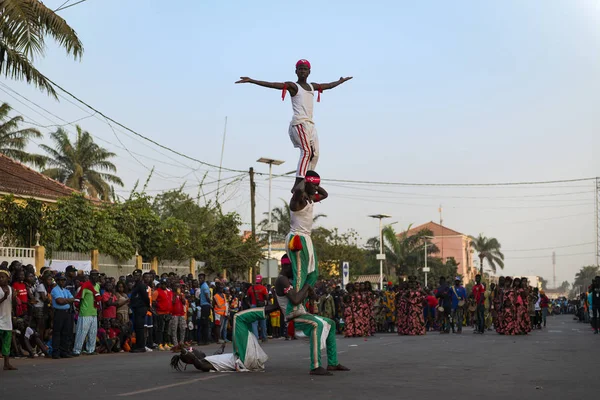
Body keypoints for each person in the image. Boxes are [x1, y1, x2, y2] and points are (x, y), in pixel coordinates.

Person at [235, 60, 352, 190]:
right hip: (299, 123)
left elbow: (329, 85)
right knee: (306, 151)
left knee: (315, 154)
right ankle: (298, 181)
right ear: (296, 71)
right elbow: (273, 85)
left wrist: (340, 82)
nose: (302, 71)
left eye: (305, 69)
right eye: (300, 69)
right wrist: (252, 80)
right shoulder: (294, 86)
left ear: (309, 72)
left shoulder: (312, 86)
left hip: (310, 124)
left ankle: (308, 177)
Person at [275, 254, 349, 376]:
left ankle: (333, 363)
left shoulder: (291, 281)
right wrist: (307, 286)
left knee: (331, 323)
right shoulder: (282, 280)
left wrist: (311, 291)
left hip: (301, 313)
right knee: (316, 325)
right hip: (293, 317)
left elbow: (310, 296)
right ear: (286, 266)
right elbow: (295, 300)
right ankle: (315, 366)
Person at [286, 170, 328, 296]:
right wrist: (304, 178)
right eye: (313, 185)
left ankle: (301, 300)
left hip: (307, 238)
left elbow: (324, 194)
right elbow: (298, 191)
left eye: (317, 185)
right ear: (306, 184)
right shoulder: (298, 202)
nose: (316, 189)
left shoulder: (309, 199)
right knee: (300, 273)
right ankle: (294, 307)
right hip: (297, 238)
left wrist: (314, 184)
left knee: (313, 273)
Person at [73, 270, 101, 356]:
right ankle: (76, 350)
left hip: (94, 312)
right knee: (81, 332)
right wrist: (80, 309)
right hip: (85, 312)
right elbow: (79, 299)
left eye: (96, 275)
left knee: (92, 332)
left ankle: (90, 349)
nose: (95, 277)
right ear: (90, 276)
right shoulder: (85, 286)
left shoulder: (97, 286)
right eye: (93, 275)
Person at [50, 273, 75, 359]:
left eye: (64, 280)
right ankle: (55, 352)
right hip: (58, 312)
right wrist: (68, 300)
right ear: (57, 281)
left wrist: (65, 300)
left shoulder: (66, 290)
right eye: (61, 280)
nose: (63, 281)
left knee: (66, 333)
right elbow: (59, 301)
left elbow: (73, 299)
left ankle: (64, 351)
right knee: (57, 332)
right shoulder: (55, 290)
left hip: (66, 312)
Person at [129, 270, 151, 353]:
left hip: (141, 308)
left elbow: (145, 297)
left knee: (140, 328)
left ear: (140, 276)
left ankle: (141, 346)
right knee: (137, 327)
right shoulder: (136, 285)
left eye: (138, 275)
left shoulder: (141, 285)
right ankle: (138, 345)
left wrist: (147, 306)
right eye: (135, 275)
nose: (136, 277)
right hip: (137, 308)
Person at [0, 266, 17, 370]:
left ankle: (6, 363)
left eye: (3, 277)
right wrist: (4, 297)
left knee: (7, 342)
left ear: (8, 278)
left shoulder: (11, 289)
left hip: (7, 320)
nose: (1, 279)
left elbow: (13, 305)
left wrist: (14, 297)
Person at [247, 275, 269, 342]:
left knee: (254, 323)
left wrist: (250, 305)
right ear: (261, 280)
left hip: (253, 306)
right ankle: (264, 337)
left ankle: (255, 338)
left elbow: (247, 298)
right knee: (263, 322)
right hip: (261, 307)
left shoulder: (251, 288)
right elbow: (267, 297)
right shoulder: (263, 288)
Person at [196, 273, 211, 345]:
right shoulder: (202, 286)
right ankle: (205, 340)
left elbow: (207, 296)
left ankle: (205, 340)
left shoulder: (204, 286)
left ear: (204, 279)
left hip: (205, 306)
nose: (200, 280)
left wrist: (209, 304)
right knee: (204, 323)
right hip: (204, 305)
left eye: (201, 278)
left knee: (204, 323)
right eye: (199, 278)